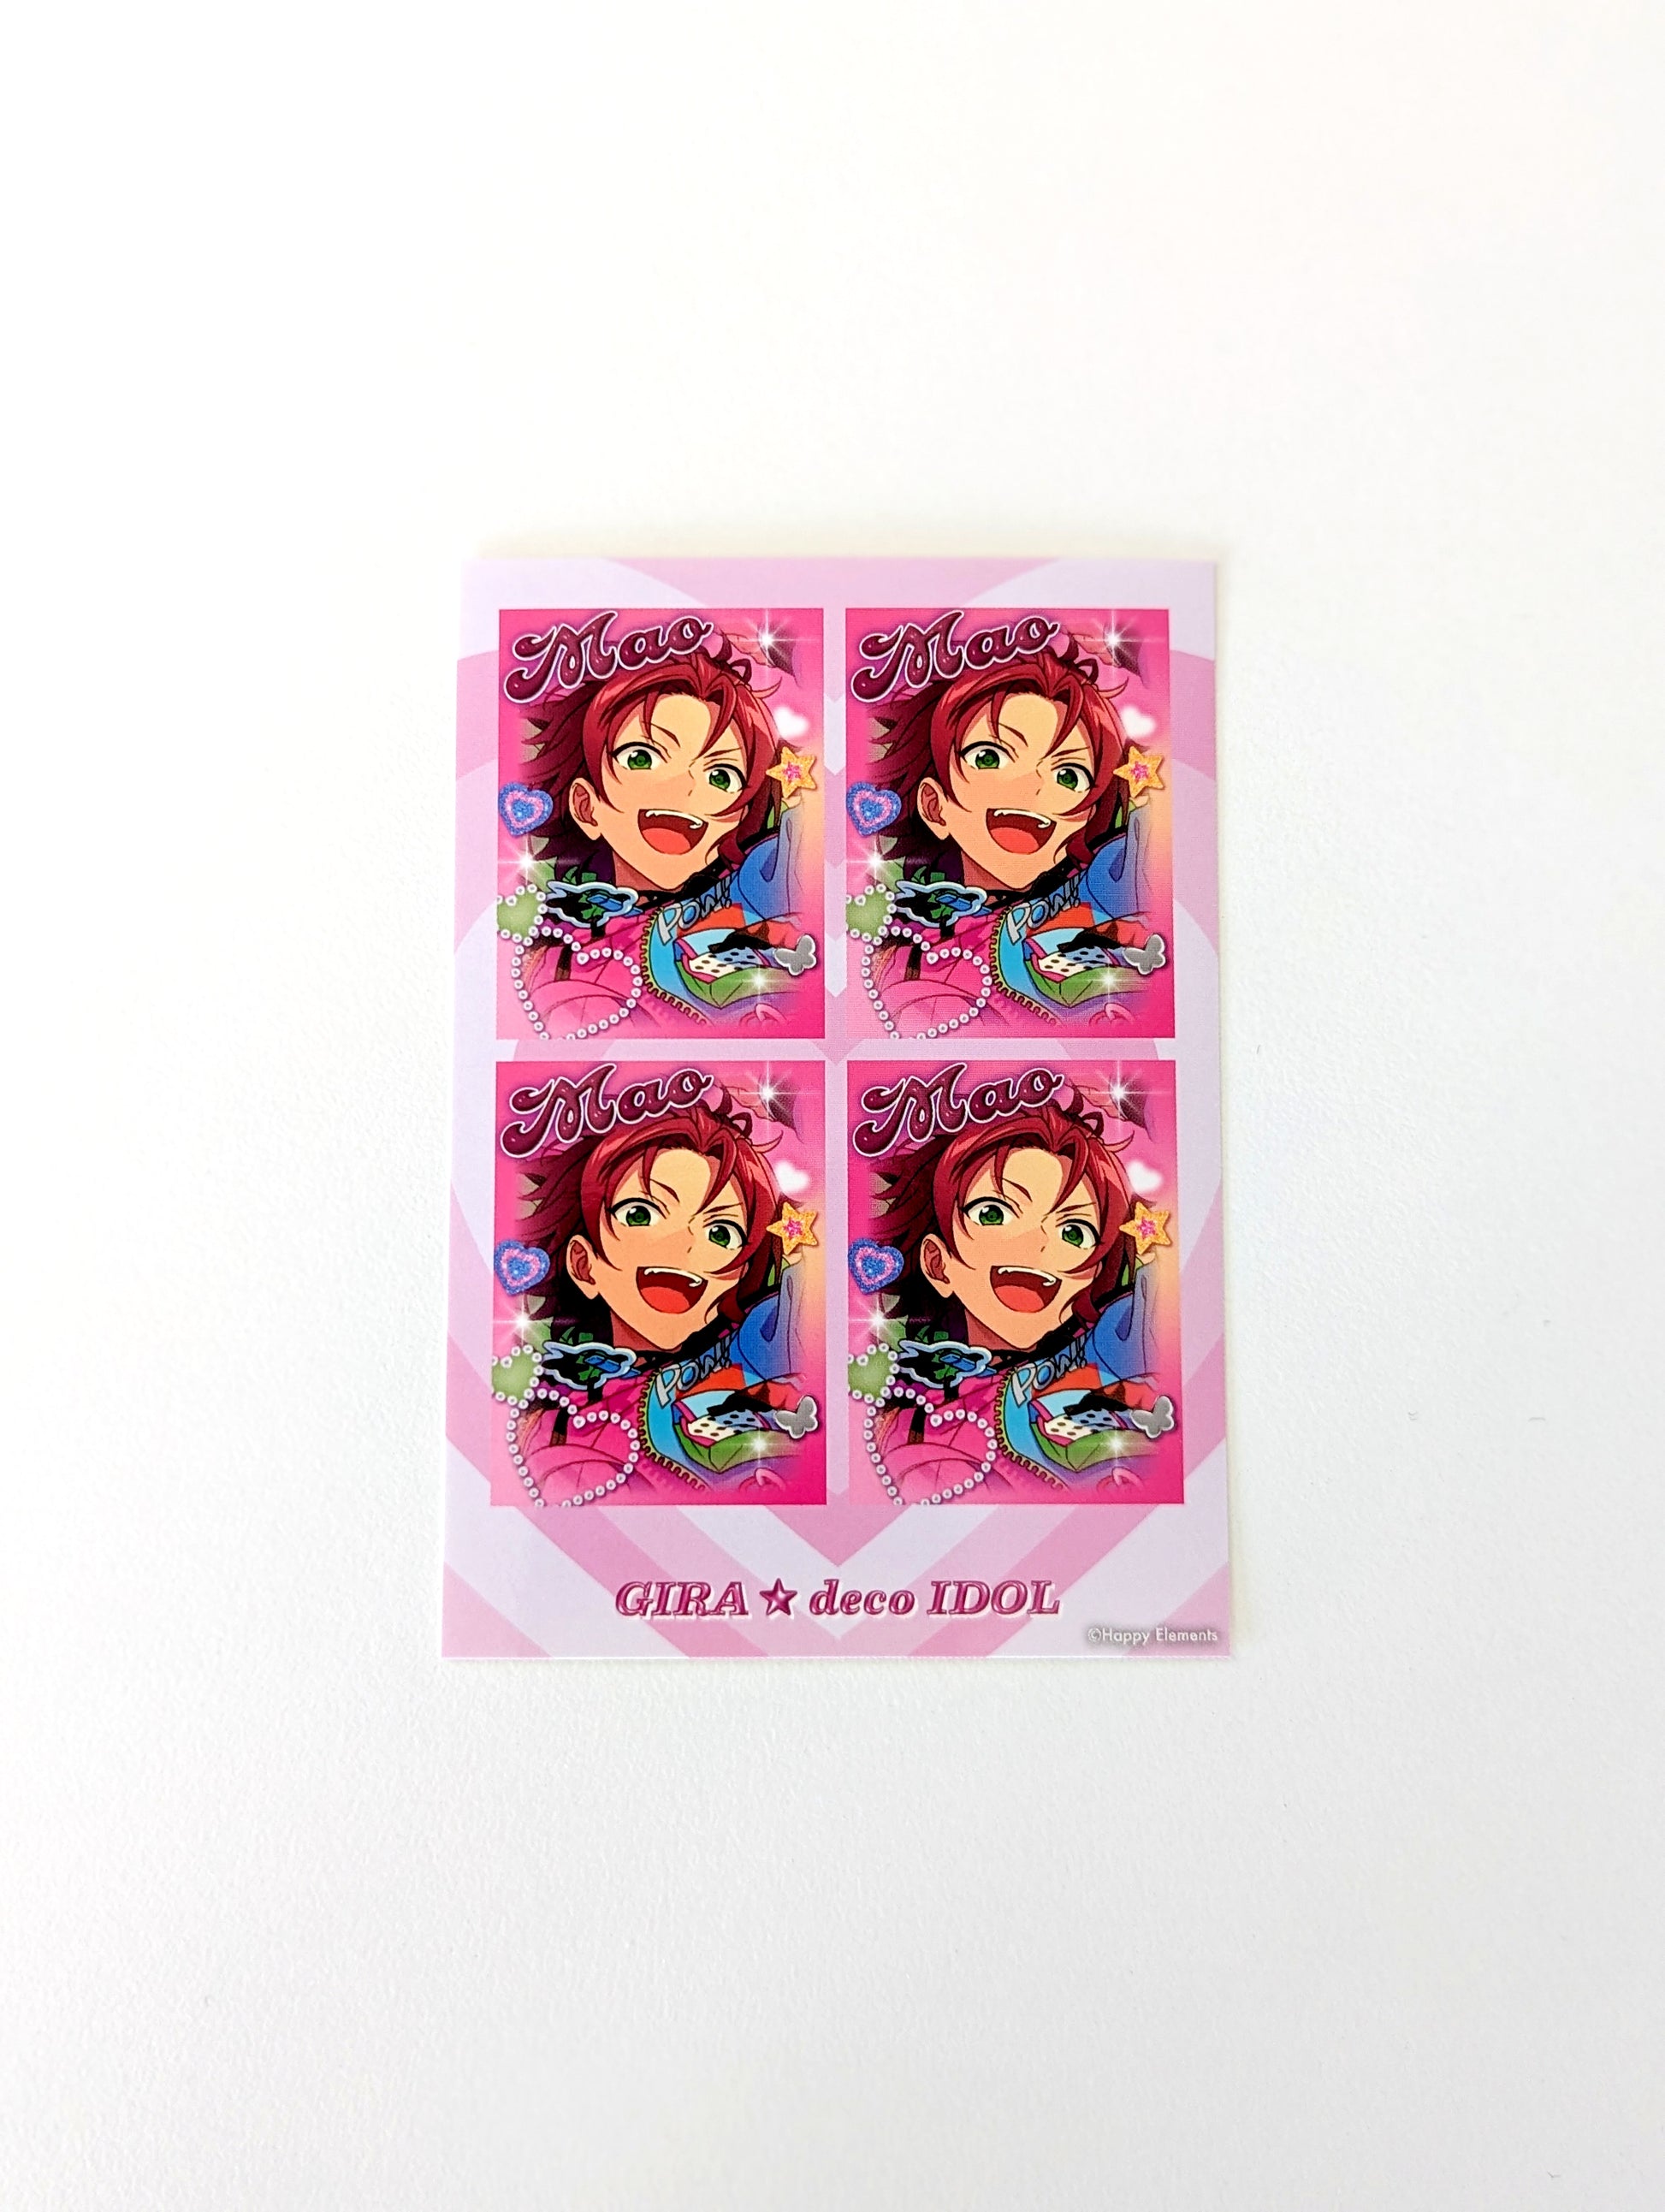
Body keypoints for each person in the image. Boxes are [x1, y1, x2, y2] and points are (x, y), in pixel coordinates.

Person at [853, 1091, 1175, 1501]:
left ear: (1092, 1275)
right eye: (994, 1213)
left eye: (1073, 1232)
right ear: (938, 1263)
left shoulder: (1102, 1365)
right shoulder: (908, 1412)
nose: (1038, 1244)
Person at [495, 1097, 818, 1504]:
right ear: (585, 1264)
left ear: (736, 1279)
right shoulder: (558, 1408)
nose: (683, 1245)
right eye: (640, 1214)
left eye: (720, 1233)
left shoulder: (748, 1354)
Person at [499, 638, 816, 1039]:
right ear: (587, 806)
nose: (685, 789)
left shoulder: (750, 890)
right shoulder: (561, 949)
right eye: (642, 757)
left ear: (736, 819)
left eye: (721, 777)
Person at [847, 638, 1164, 1036]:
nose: (1032, 787)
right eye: (989, 757)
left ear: (1085, 818)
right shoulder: (908, 948)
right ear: (935, 806)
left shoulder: (1091, 904)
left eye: (1068, 776)